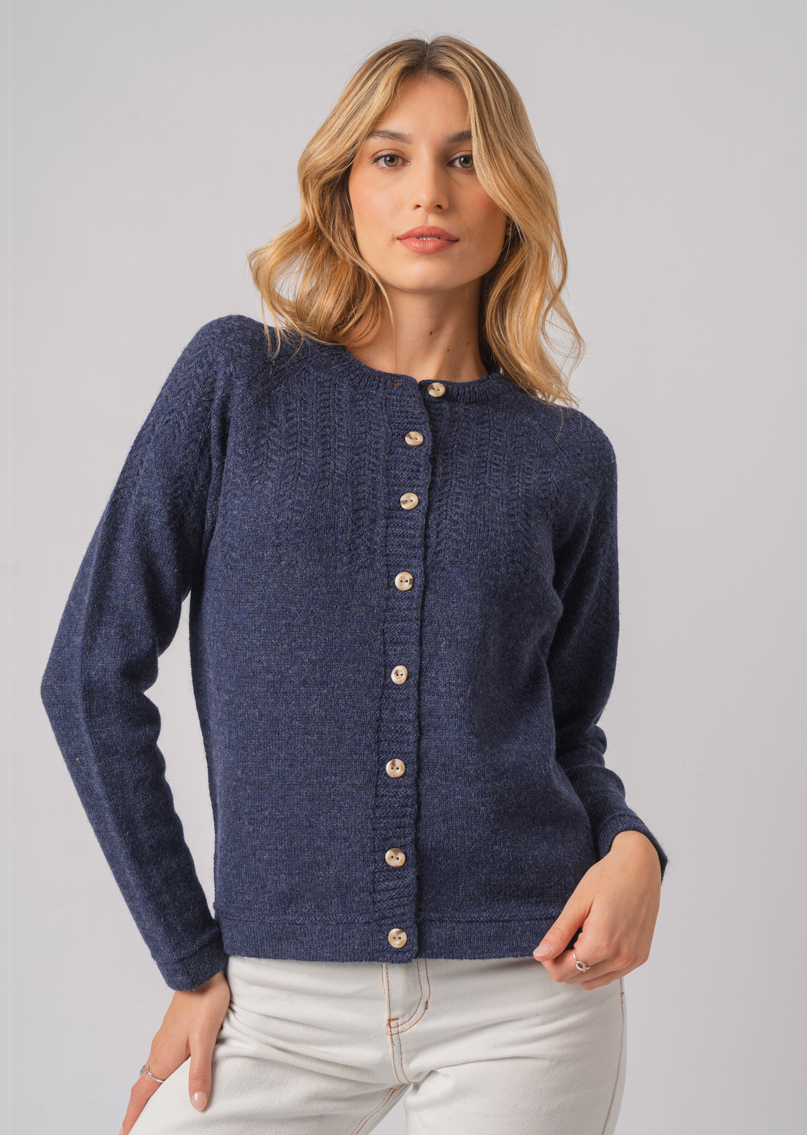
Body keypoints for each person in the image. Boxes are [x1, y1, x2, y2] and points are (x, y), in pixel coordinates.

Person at [40, 34, 667, 1135]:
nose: (429, 191)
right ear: (342, 189)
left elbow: (567, 731)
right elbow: (89, 676)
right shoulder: (238, 382)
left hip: (529, 994)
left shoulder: (568, 458)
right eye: (390, 157)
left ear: (513, 195)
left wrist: (634, 847)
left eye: (466, 159)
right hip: (276, 1001)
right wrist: (191, 959)